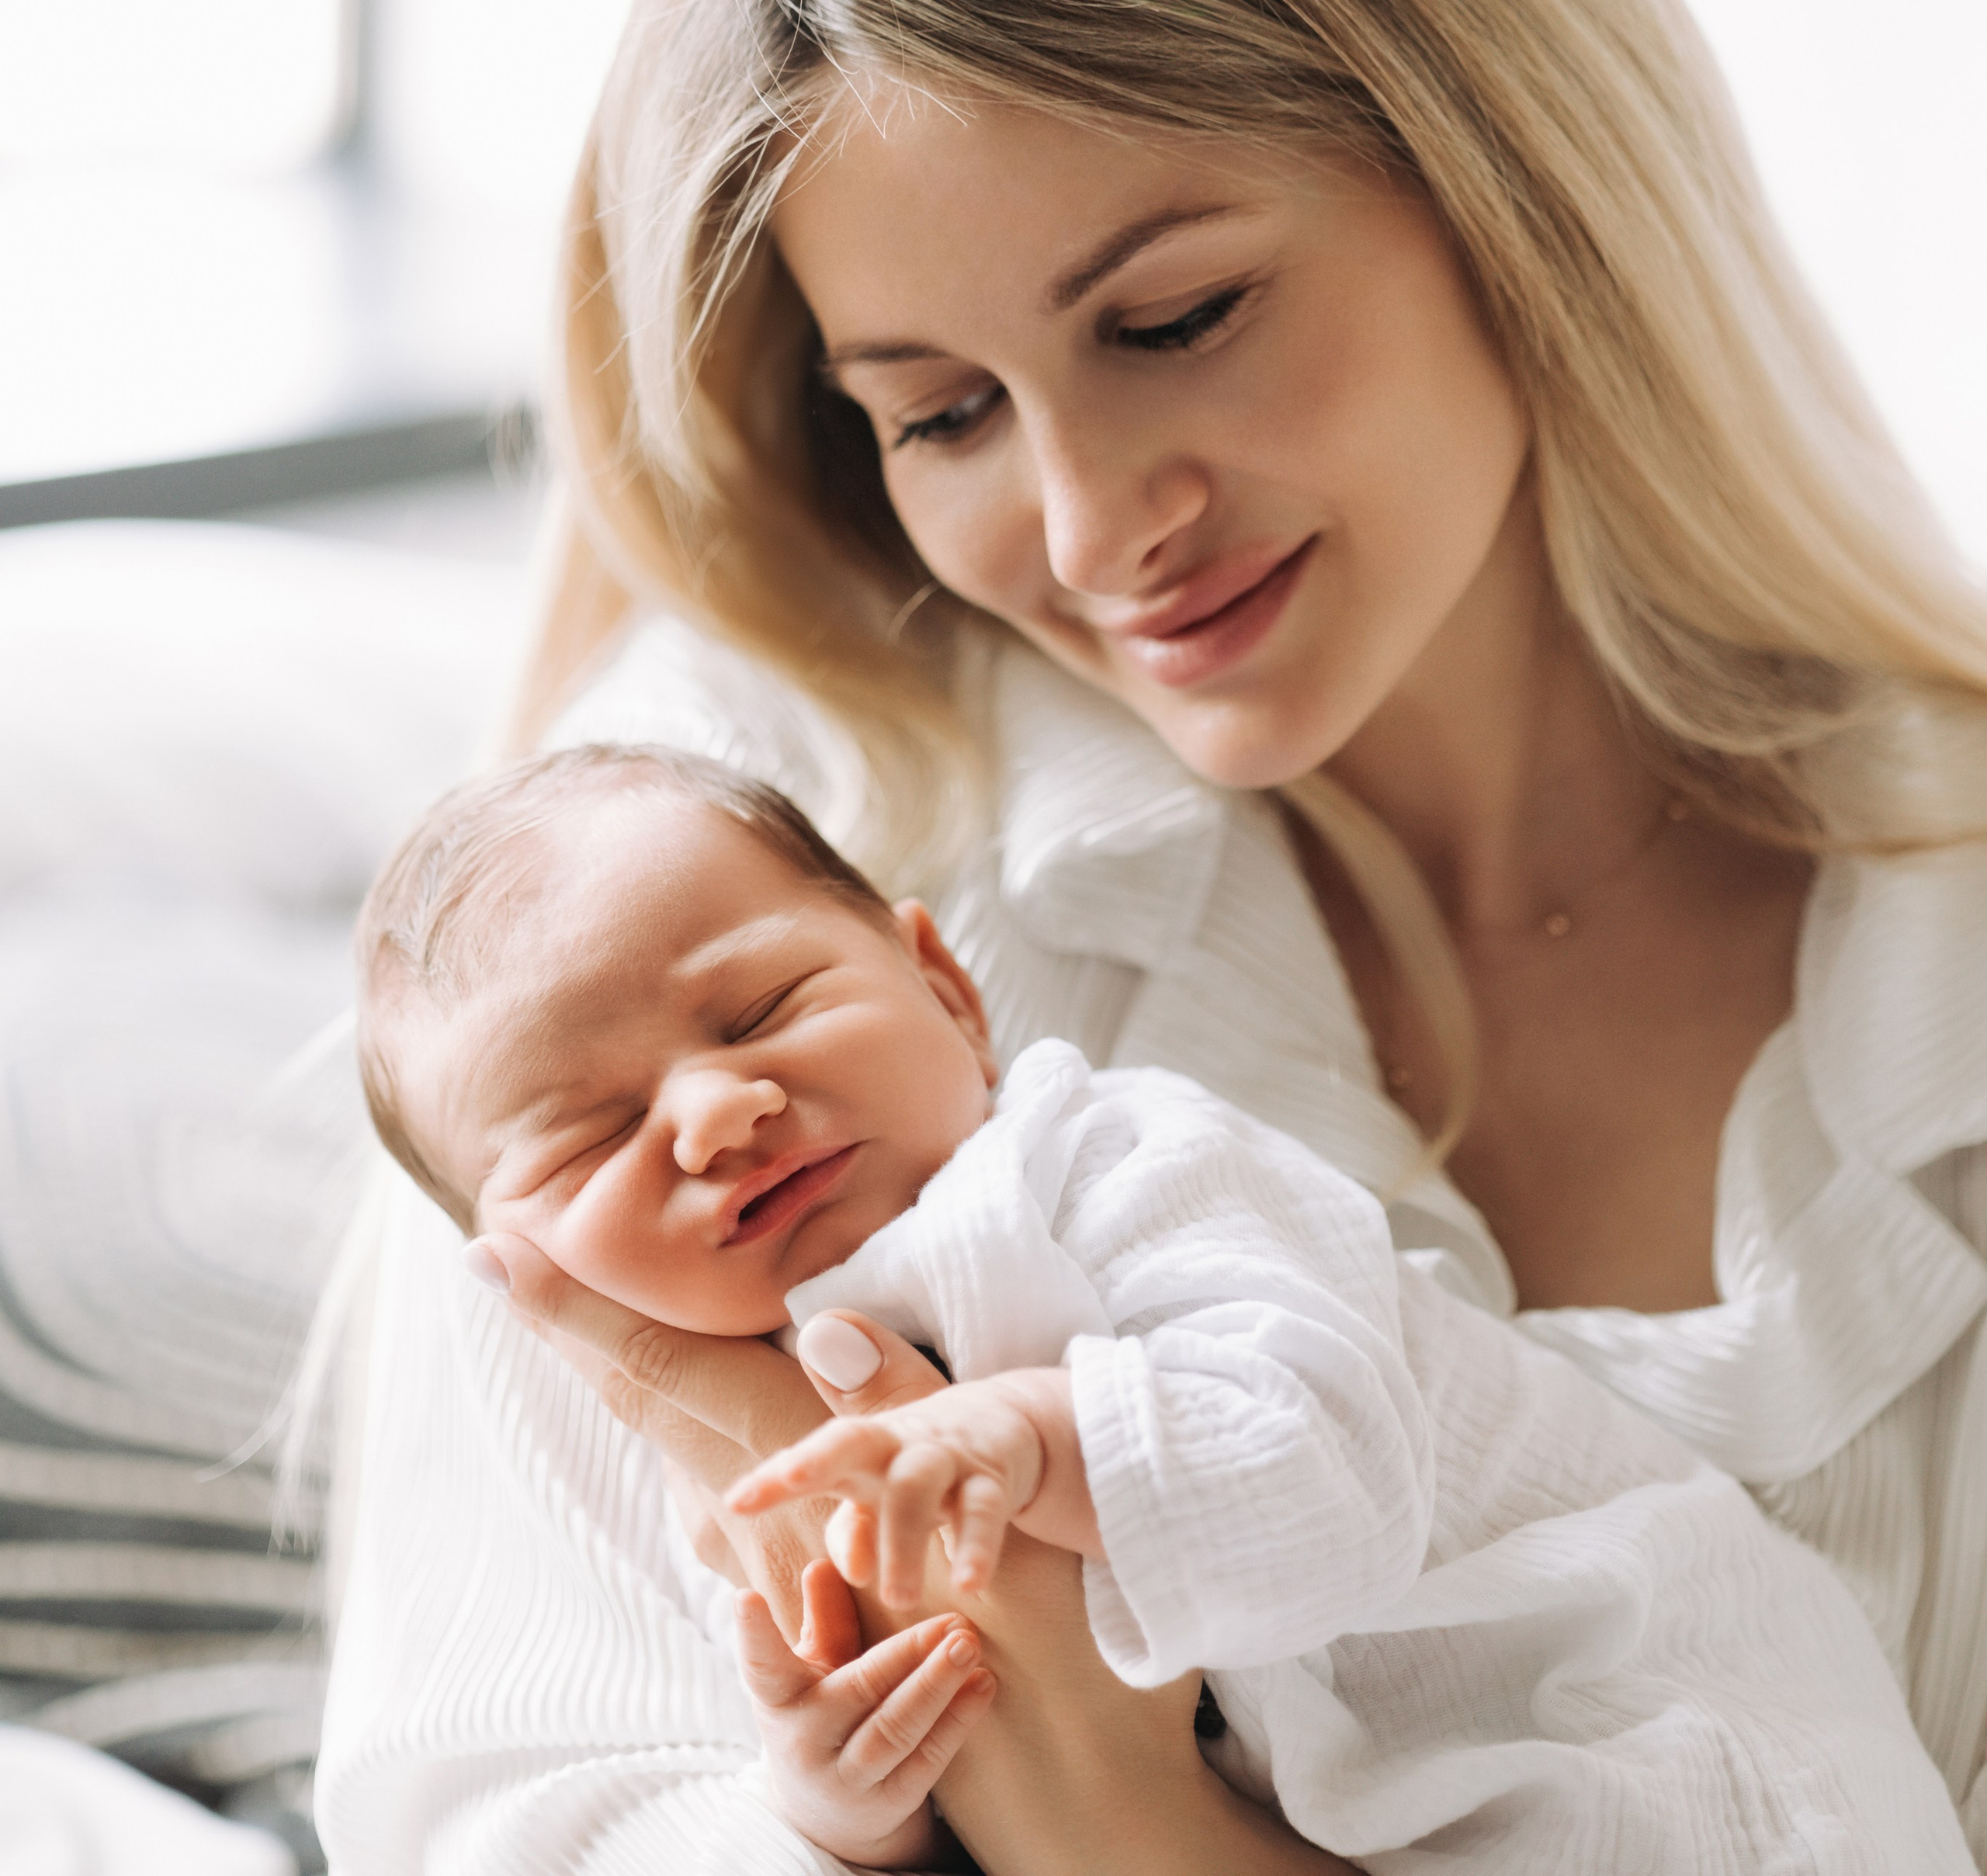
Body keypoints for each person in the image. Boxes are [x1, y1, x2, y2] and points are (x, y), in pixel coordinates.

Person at [316, 0, 1987, 1876]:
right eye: (939, 413)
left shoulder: (1943, 966)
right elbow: (502, 1815)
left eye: (1177, 317)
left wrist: (1103, 1810)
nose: (1098, 527)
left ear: (1518, 174)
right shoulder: (684, 890)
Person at [349, 734, 1970, 1875]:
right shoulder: (721, 1440)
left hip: (1686, 1772)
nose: (711, 1117)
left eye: (765, 1008)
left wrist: (1025, 1437)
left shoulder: (1118, 1161)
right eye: (586, 1136)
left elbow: (1317, 1475)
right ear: (520, 1261)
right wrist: (847, 1800)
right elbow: (931, 1765)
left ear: (949, 988)